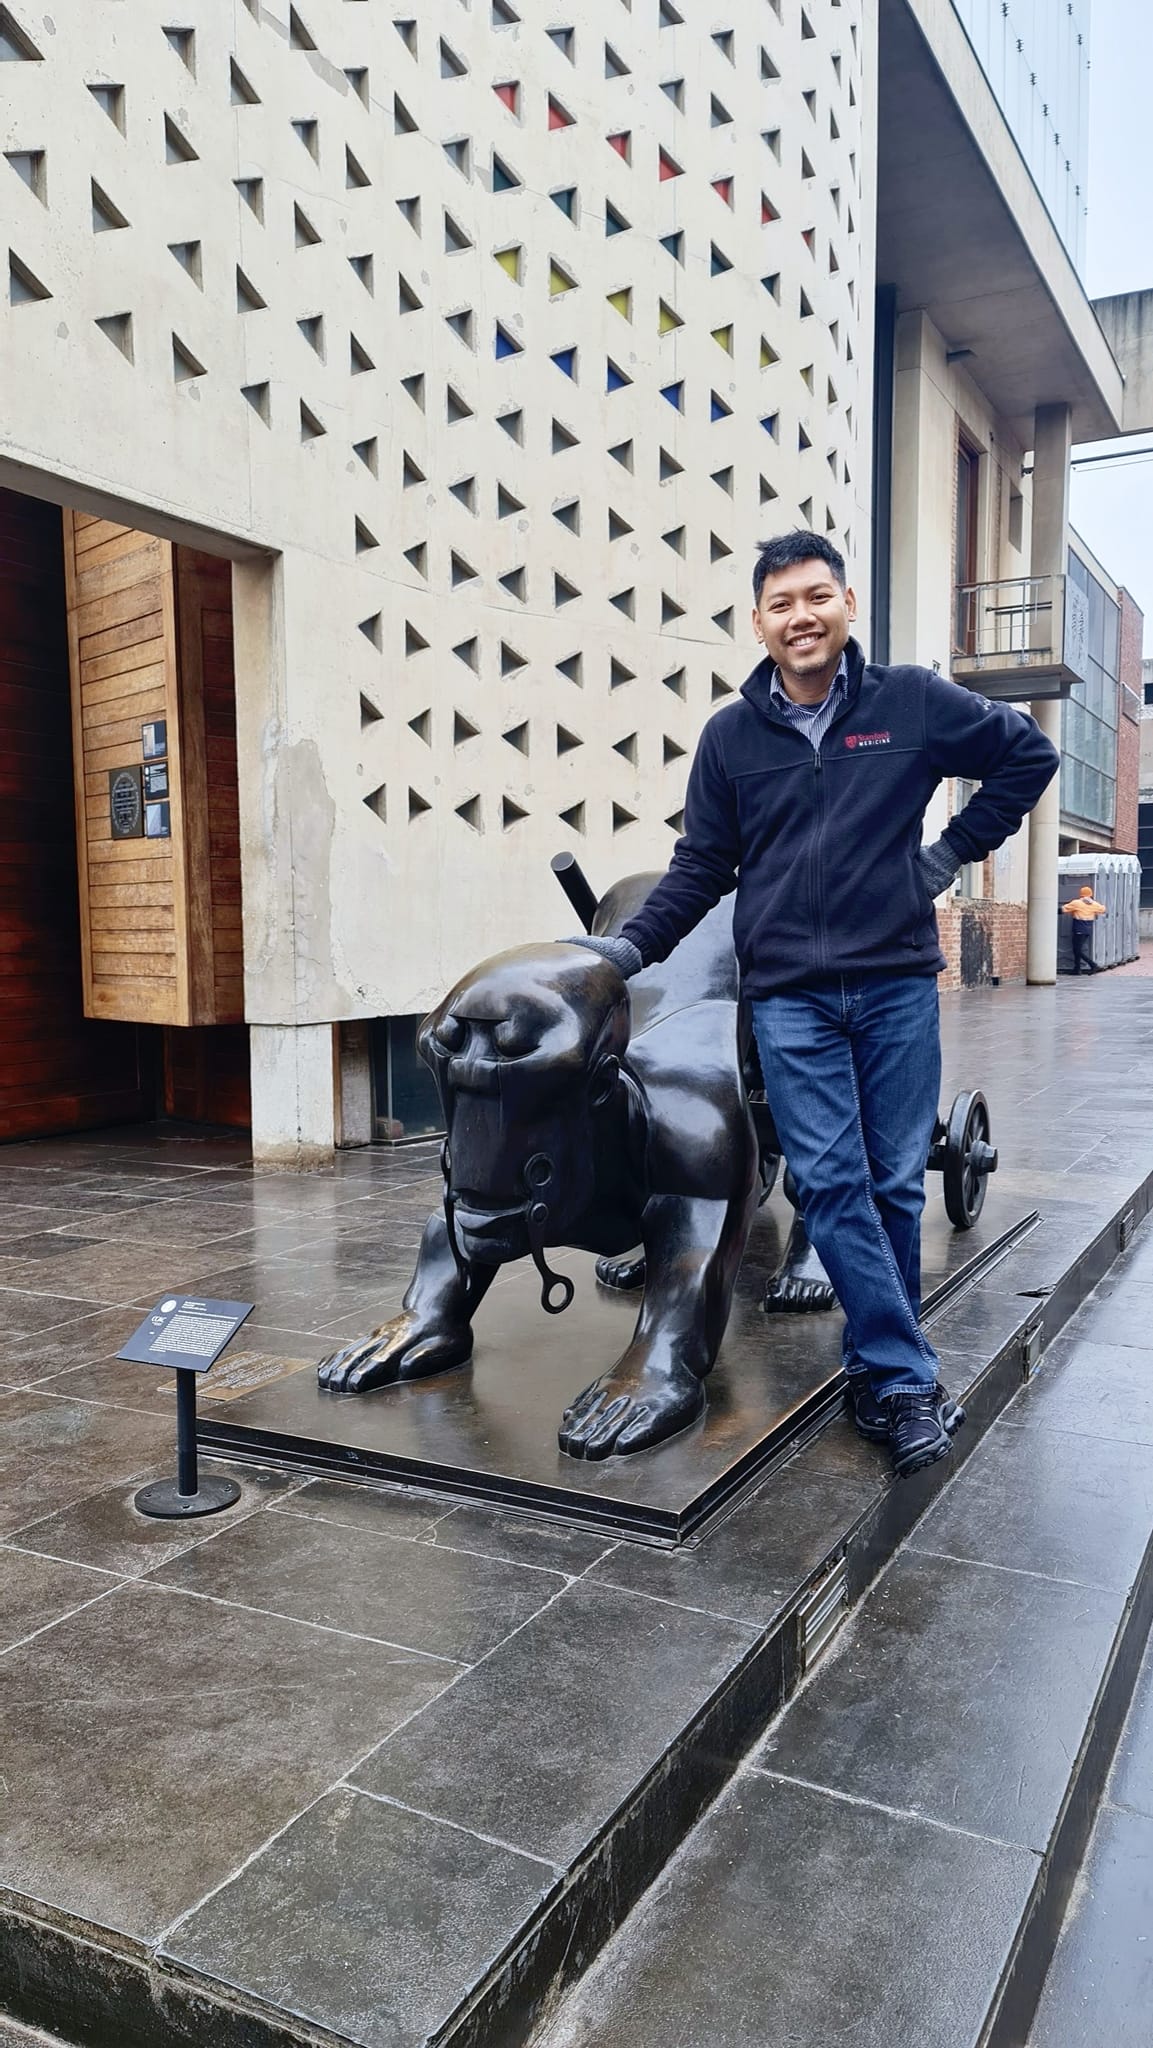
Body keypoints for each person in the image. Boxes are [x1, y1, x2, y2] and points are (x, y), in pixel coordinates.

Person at [569, 530, 1058, 1478]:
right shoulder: (730, 738)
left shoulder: (909, 702)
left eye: (816, 596)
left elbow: (1025, 758)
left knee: (891, 1183)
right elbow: (701, 866)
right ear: (757, 623)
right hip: (789, 995)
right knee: (831, 1185)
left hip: (894, 984)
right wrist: (625, 951)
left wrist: (945, 857)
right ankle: (903, 1379)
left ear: (845, 606)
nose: (801, 616)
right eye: (781, 604)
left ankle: (877, 1368)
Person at [1061, 885, 1107, 974]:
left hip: (1078, 928)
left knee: (1077, 950)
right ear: (1090, 894)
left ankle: (1093, 965)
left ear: (1081, 894)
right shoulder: (1094, 904)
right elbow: (1103, 909)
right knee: (1078, 949)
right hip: (1087, 929)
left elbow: (1063, 909)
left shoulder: (1077, 903)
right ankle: (1077, 969)